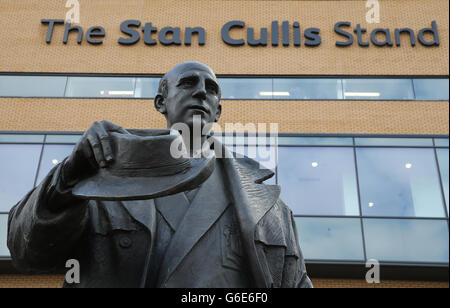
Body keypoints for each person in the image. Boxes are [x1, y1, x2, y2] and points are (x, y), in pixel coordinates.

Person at [7, 62, 312, 288]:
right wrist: (68, 177)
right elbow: (28, 253)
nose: (202, 92)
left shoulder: (269, 208)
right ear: (160, 103)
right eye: (188, 83)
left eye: (212, 88)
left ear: (218, 111)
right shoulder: (105, 178)